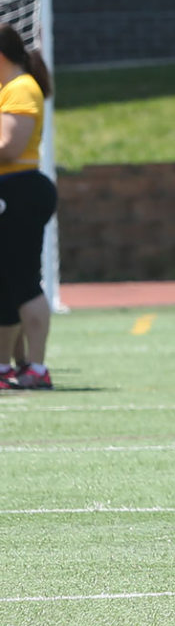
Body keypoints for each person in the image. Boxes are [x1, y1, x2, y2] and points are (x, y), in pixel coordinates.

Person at [0, 22, 57, 391]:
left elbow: (9, 147)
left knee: (22, 280)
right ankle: (8, 366)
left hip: (19, 191)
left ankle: (36, 367)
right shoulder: (8, 87)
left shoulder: (21, 88)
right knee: (6, 283)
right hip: (12, 190)